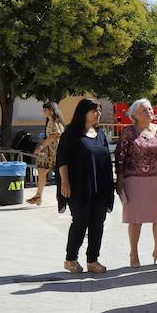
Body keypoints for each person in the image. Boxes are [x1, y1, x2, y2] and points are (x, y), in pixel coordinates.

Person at [56, 99, 115, 275]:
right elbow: (62, 160)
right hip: (79, 187)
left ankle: (92, 260)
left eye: (98, 111)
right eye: (94, 111)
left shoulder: (100, 134)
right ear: (83, 113)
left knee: (98, 224)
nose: (97, 114)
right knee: (80, 222)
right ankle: (71, 259)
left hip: (101, 187)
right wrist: (64, 182)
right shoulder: (71, 133)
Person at [115, 99, 157, 267]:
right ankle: (134, 253)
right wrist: (120, 180)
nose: (149, 112)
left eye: (150, 109)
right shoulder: (128, 132)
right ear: (134, 115)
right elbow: (120, 157)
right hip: (135, 179)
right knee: (135, 219)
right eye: (144, 110)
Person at [28, 101, 64, 205]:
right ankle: (38, 195)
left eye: (45, 110)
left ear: (51, 111)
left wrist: (41, 146)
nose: (43, 112)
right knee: (41, 170)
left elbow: (54, 135)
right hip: (49, 152)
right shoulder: (51, 121)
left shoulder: (54, 122)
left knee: (60, 174)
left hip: (55, 152)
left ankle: (63, 196)